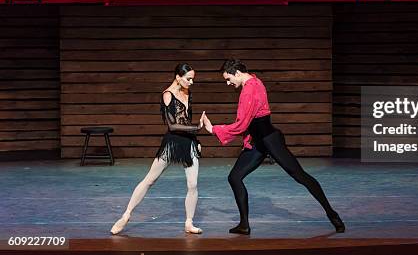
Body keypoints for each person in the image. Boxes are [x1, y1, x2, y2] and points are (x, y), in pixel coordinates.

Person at [201, 59, 345, 235]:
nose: (228, 83)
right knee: (235, 177)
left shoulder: (249, 90)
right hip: (258, 142)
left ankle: (332, 214)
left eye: (228, 78)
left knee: (300, 176)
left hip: (270, 140)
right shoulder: (255, 80)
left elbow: (241, 125)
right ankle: (244, 224)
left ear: (237, 73)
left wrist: (213, 129)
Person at [110, 63, 205, 235]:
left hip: (188, 142)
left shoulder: (188, 93)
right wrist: (196, 129)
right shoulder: (167, 95)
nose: (191, 82)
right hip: (173, 141)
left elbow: (186, 120)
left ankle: (189, 223)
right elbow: (173, 126)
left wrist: (195, 139)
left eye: (193, 79)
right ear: (178, 77)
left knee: (193, 184)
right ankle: (126, 215)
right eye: (188, 78)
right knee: (150, 180)